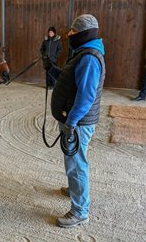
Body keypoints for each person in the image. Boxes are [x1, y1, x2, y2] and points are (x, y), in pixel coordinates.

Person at [50, 14, 105, 228]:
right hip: (75, 121)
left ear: (83, 33)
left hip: (78, 124)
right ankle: (75, 190)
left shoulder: (89, 57)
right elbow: (68, 81)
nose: (68, 34)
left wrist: (71, 122)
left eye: (73, 32)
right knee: (74, 161)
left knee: (76, 164)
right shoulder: (83, 52)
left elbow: (86, 96)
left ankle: (80, 211)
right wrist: (51, 69)